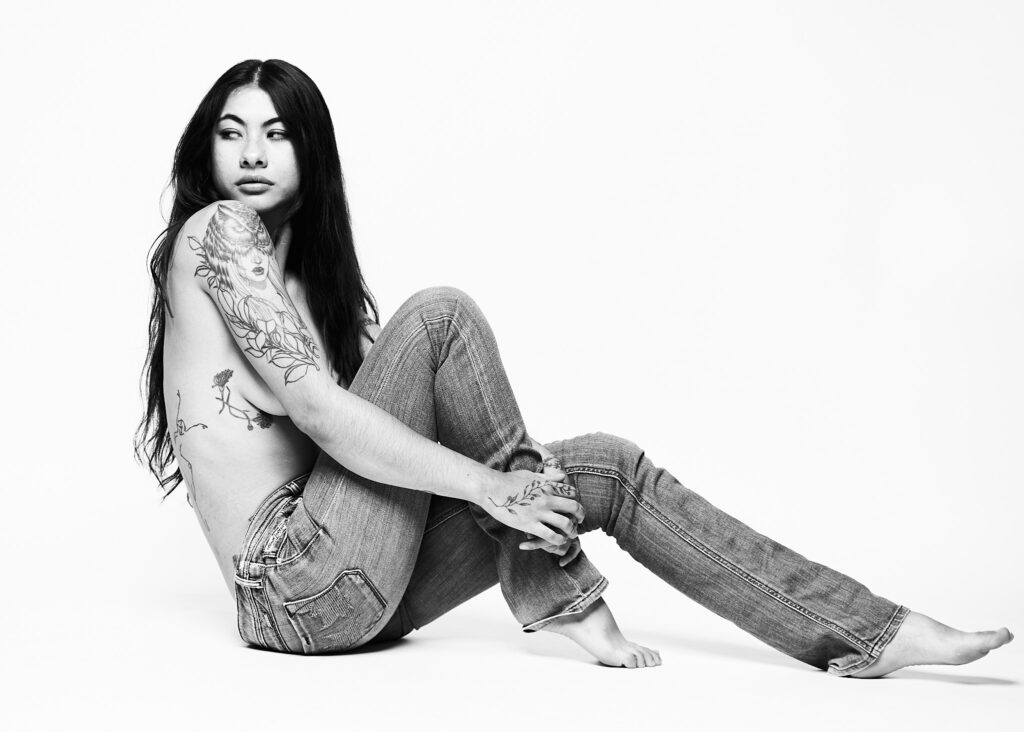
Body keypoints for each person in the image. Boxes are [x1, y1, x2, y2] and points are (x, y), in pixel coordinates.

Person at [135, 58, 1012, 675]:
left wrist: (517, 488)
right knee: (441, 315)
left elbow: (392, 444)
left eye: (278, 134)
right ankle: (561, 594)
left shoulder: (315, 285)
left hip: (364, 586)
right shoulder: (218, 234)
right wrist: (495, 489)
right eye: (232, 133)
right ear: (205, 150)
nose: (252, 155)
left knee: (604, 469)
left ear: (311, 151)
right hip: (291, 585)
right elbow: (322, 415)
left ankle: (868, 629)